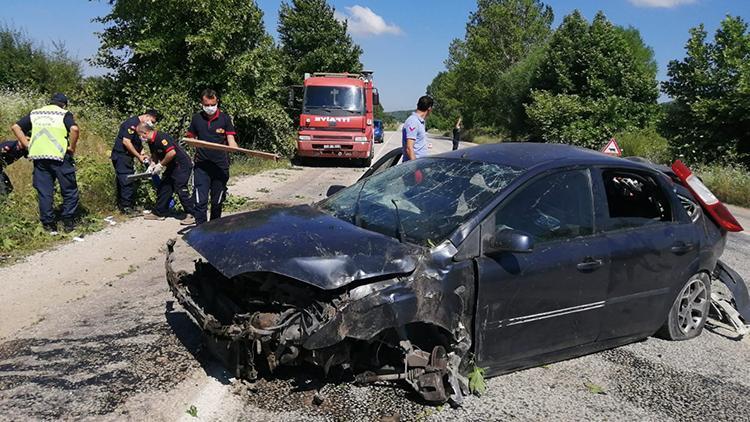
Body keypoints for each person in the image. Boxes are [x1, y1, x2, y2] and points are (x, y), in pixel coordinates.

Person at [10, 93, 80, 234]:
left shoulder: (35, 113)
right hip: (60, 157)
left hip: (40, 157)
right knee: (69, 189)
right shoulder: (64, 113)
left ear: (50, 102)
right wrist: (72, 147)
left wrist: (26, 144)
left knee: (45, 191)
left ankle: (48, 225)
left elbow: (15, 127)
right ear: (64, 104)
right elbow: (74, 129)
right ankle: (67, 222)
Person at [185, 89, 238, 225]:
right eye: (207, 105)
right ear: (202, 103)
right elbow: (190, 137)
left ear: (217, 102)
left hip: (220, 166)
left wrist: (233, 147)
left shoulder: (225, 118)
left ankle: (215, 228)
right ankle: (201, 229)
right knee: (200, 201)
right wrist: (190, 141)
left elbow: (230, 138)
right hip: (202, 166)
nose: (210, 108)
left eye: (212, 104)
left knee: (217, 201)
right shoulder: (197, 118)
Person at [135, 123, 195, 224]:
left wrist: (160, 165)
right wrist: (152, 165)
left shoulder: (162, 137)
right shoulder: (151, 141)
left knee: (180, 187)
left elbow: (171, 153)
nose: (140, 138)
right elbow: (154, 154)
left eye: (140, 135)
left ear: (145, 133)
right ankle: (159, 212)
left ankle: (192, 214)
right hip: (171, 166)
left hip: (181, 164)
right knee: (164, 187)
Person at [110, 109, 160, 214]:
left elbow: (137, 143)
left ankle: (125, 205)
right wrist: (138, 156)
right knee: (126, 180)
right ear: (147, 116)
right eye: (152, 121)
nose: (151, 124)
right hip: (121, 156)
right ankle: (126, 208)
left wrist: (142, 154)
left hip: (127, 157)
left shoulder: (139, 126)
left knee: (125, 180)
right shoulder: (132, 124)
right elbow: (126, 142)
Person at [402, 95, 433, 162]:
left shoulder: (420, 121)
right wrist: (416, 169)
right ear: (429, 108)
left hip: (420, 163)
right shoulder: (413, 121)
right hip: (413, 166)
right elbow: (409, 148)